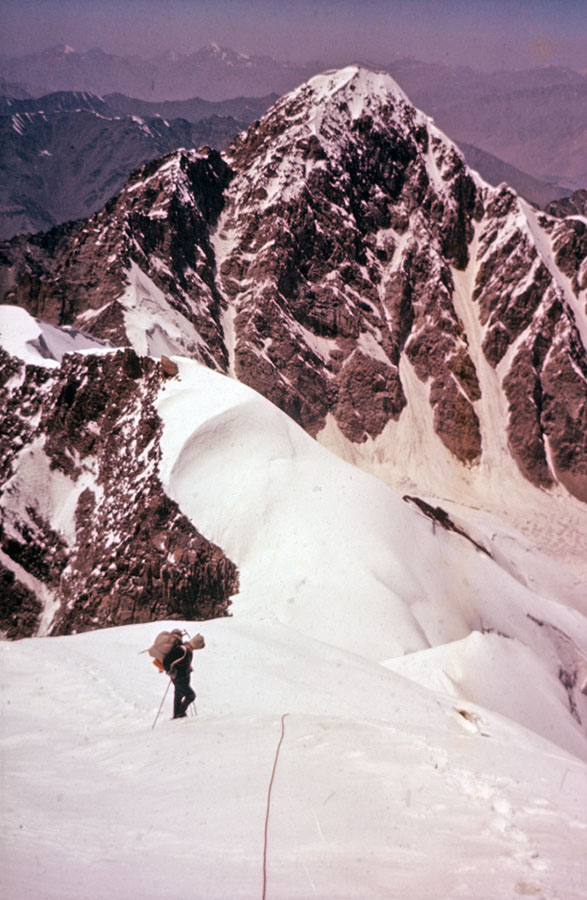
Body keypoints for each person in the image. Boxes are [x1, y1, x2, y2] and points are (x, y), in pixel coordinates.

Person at [163, 630, 205, 719]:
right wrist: (170, 672)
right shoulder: (182, 650)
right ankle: (180, 713)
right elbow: (166, 661)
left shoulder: (189, 650)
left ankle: (176, 715)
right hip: (178, 678)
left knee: (179, 694)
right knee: (191, 695)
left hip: (183, 677)